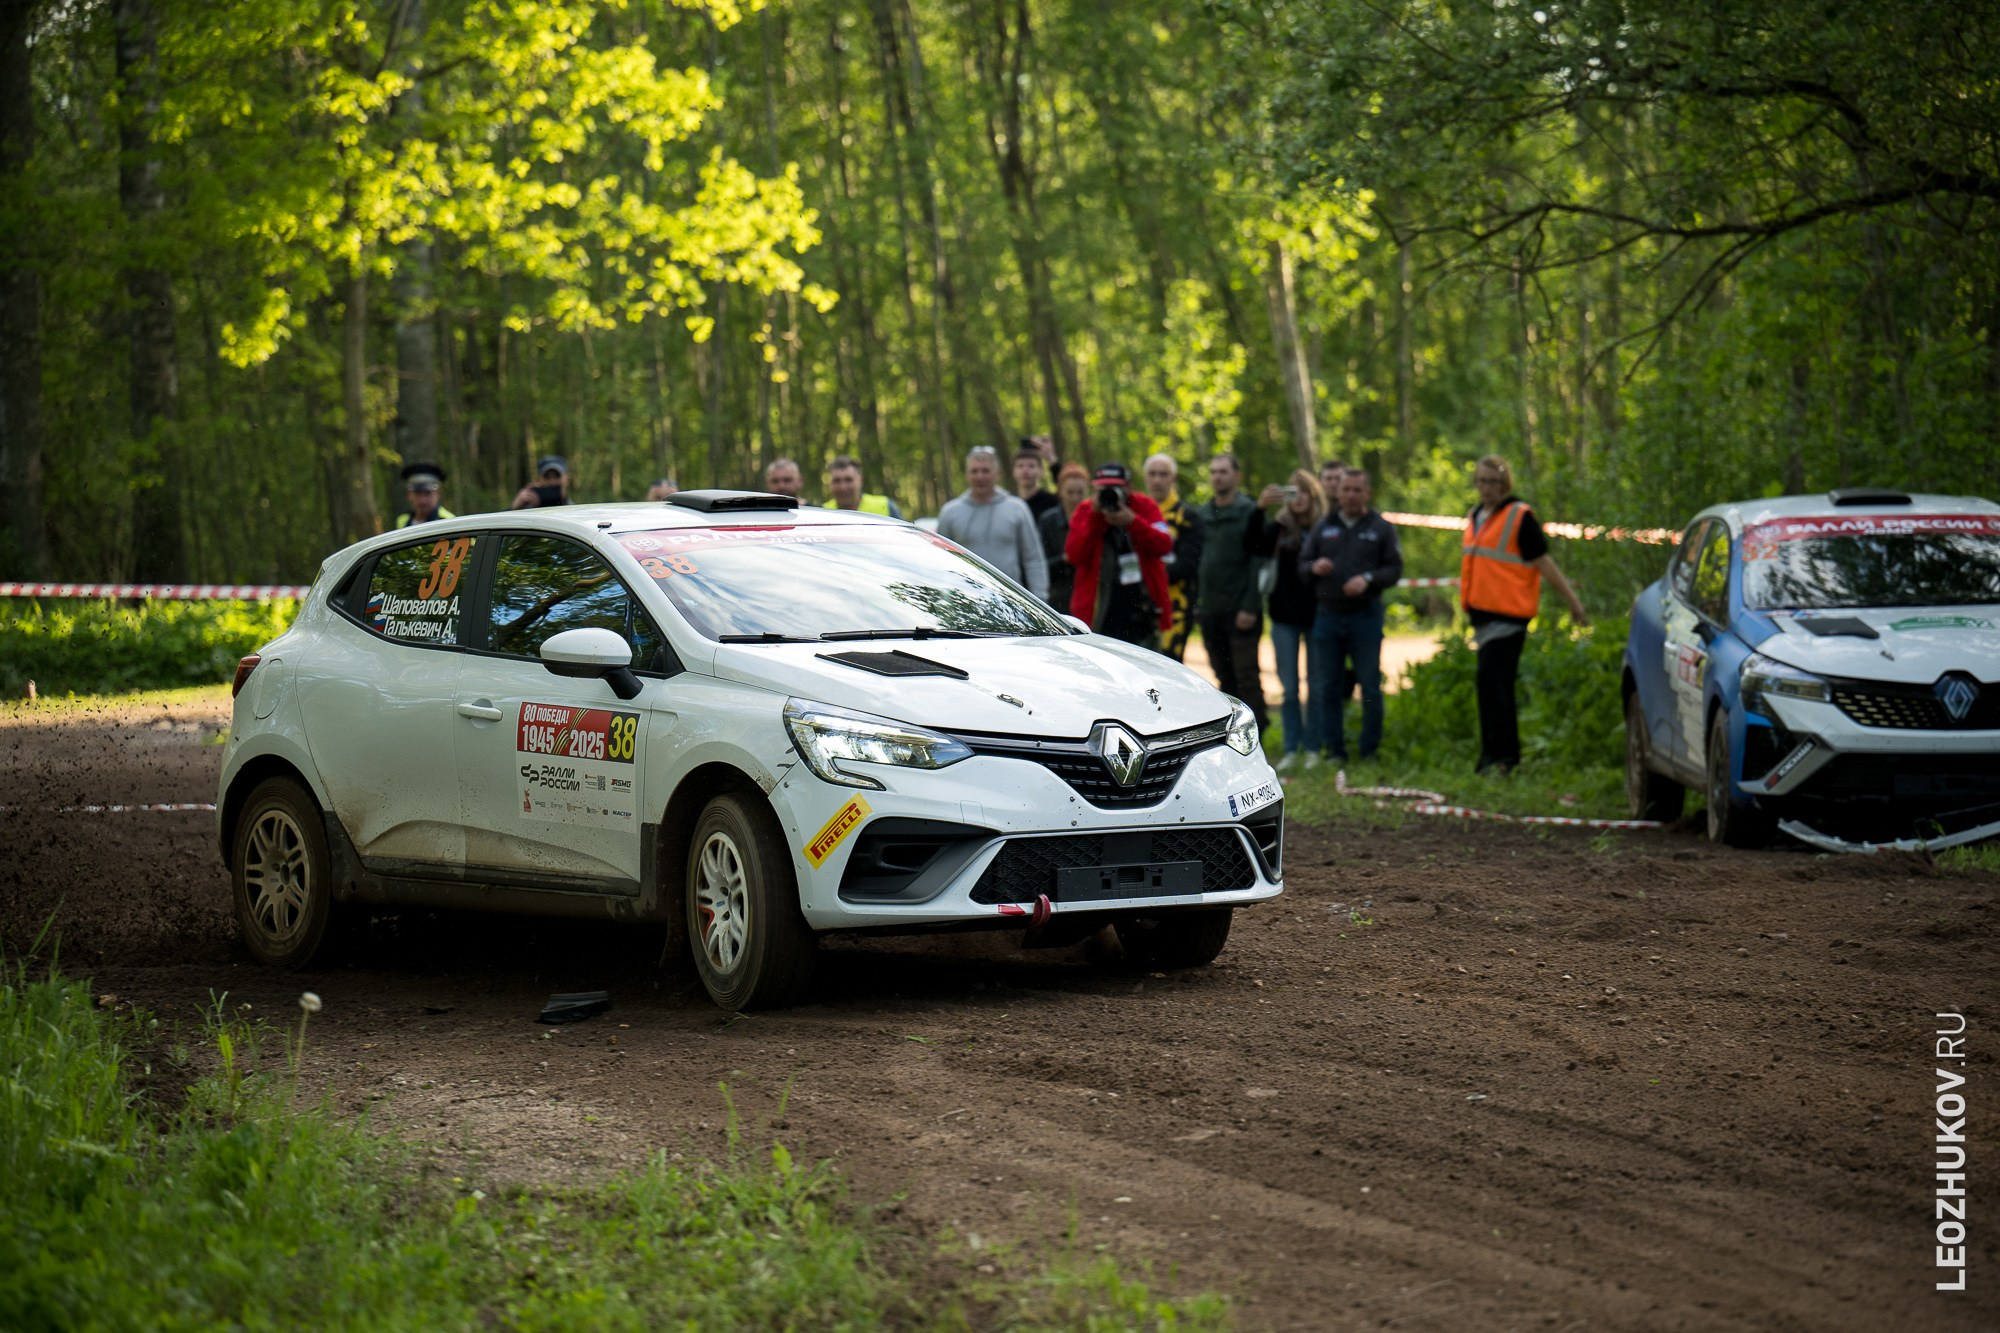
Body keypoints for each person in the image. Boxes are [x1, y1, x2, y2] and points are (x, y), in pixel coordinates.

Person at [1460, 454, 1589, 775]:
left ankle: (1503, 757)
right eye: (1482, 481)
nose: (1487, 487)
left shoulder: (1520, 516)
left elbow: (1544, 563)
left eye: (1493, 481)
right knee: (1491, 686)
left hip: (1509, 616)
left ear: (1505, 483)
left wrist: (1573, 601)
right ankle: (1493, 755)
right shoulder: (1476, 516)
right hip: (1482, 616)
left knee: (1493, 683)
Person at [1300, 468, 1403, 763]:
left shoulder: (1381, 527)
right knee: (1328, 685)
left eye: (1358, 490)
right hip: (1328, 616)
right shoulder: (1324, 526)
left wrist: (1368, 579)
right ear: (1338, 492)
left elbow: (1394, 569)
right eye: (1346, 490)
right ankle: (1334, 750)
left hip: (1366, 617)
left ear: (1367, 493)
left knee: (1370, 684)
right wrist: (1314, 566)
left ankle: (1369, 750)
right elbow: (1302, 565)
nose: (1351, 495)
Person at [1195, 453, 1283, 736]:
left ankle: (1260, 732)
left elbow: (1258, 561)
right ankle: (1233, 735)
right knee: (1223, 676)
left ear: (1237, 476)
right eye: (1213, 472)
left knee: (1246, 676)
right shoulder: (1202, 514)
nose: (1217, 477)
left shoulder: (1250, 512)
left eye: (1223, 471)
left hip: (1241, 609)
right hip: (1210, 608)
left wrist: (1250, 605)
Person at [1248, 470, 1324, 769]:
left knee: (1316, 687)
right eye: (1292, 492)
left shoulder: (1323, 527)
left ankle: (1315, 748)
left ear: (1313, 494)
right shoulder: (1279, 527)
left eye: (1303, 491)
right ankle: (1292, 748)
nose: (1298, 498)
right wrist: (1259, 508)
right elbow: (1252, 545)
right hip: (1283, 618)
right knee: (1289, 688)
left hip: (1319, 616)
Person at [1065, 462, 1173, 646]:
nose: (1110, 493)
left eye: (1116, 488)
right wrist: (1095, 518)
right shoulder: (1086, 511)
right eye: (1104, 489)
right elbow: (1074, 555)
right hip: (1098, 613)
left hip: (1141, 610)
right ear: (1095, 490)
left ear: (1128, 487)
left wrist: (1133, 521)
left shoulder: (1144, 506)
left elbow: (1164, 545)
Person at [936, 445, 1048, 598]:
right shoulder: (950, 512)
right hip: (965, 601)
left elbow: (1033, 559)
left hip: (1011, 600)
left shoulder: (1016, 508)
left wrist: (1040, 598)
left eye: (985, 471)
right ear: (966, 475)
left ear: (997, 474)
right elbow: (940, 561)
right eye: (974, 471)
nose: (980, 476)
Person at [1142, 453, 1205, 662]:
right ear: (1145, 477)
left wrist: (1151, 576)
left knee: (1167, 663)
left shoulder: (1187, 517)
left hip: (1175, 603)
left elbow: (1189, 564)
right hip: (1140, 602)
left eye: (1163, 474)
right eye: (1152, 474)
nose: (1157, 480)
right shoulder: (1136, 512)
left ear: (1173, 479)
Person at [1039, 462, 1091, 613]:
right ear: (1060, 491)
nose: (1075, 498)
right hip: (1059, 598)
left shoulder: (1095, 520)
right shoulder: (1048, 521)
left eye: (1080, 493)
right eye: (1070, 493)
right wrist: (1064, 559)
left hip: (1089, 596)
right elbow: (1040, 564)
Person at [823, 455, 904, 518]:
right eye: (836, 481)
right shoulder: (823, 512)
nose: (843, 487)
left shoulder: (886, 506)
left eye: (848, 480)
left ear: (860, 481)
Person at [1012, 439, 1062, 524]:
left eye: (1031, 466)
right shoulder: (1010, 503)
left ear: (1041, 471)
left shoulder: (1051, 501)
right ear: (1013, 471)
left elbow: (1065, 487)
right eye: (1020, 466)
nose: (1025, 470)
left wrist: (1051, 458)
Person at [395, 462, 455, 528]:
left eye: (428, 493)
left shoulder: (449, 521)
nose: (422, 500)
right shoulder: (403, 521)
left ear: (438, 493)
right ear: (409, 495)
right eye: (417, 494)